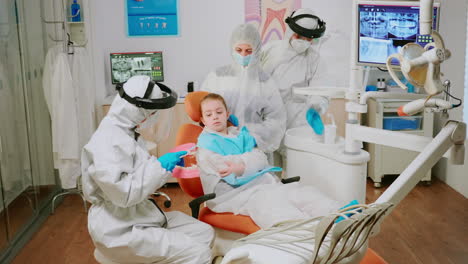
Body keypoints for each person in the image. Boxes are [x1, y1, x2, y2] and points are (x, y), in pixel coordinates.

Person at [81, 76, 214, 264]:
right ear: (136, 109)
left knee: (204, 232)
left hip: (138, 216)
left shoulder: (127, 131)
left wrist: (169, 167)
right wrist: (161, 166)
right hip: (120, 230)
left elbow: (141, 172)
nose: (154, 116)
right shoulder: (108, 141)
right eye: (152, 111)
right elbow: (124, 195)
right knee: (198, 254)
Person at [195, 93, 342, 230]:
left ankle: (341, 214)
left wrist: (241, 165)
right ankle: (307, 232)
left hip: (261, 183)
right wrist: (248, 161)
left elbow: (261, 158)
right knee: (272, 206)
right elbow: (225, 169)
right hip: (236, 194)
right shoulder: (205, 144)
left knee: (298, 192)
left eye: (219, 112)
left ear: (227, 114)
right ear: (203, 120)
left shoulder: (239, 135)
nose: (215, 116)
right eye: (209, 114)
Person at [200, 23, 286, 154]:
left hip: (254, 149)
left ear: (257, 50)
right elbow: (202, 111)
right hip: (220, 146)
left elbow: (276, 120)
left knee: (253, 173)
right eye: (239, 50)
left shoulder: (265, 82)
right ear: (232, 49)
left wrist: (253, 138)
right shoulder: (217, 76)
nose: (244, 55)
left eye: (249, 51)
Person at [261, 8, 328, 132]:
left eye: (307, 38)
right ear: (290, 31)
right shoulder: (271, 50)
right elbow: (256, 82)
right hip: (269, 120)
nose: (302, 41)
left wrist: (316, 107)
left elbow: (321, 90)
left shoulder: (315, 60)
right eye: (298, 36)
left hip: (299, 124)